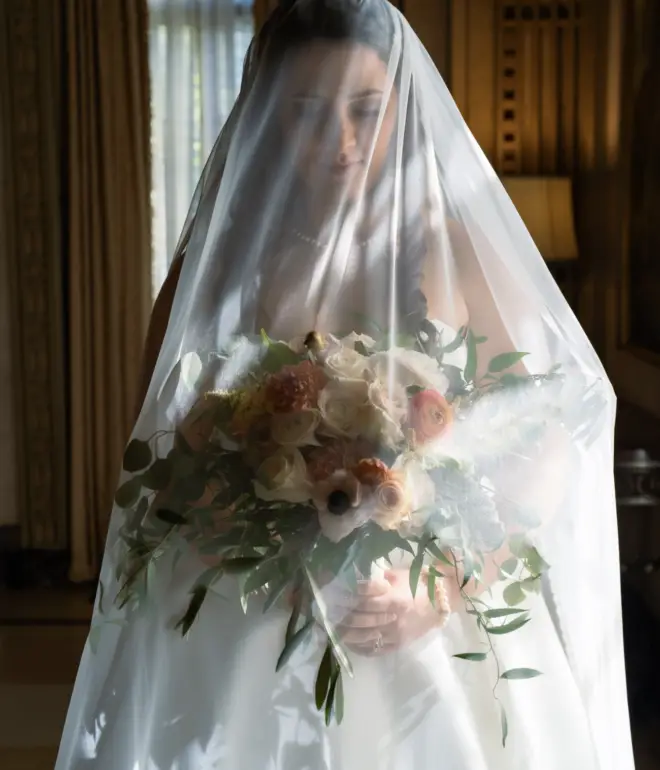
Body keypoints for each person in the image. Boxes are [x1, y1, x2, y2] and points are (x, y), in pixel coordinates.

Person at [56, 2, 634, 769]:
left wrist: (447, 591)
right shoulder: (221, 267)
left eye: (366, 109)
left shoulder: (455, 251)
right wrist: (252, 536)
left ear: (401, 103)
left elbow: (542, 439)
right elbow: (164, 449)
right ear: (265, 117)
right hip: (251, 612)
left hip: (425, 613)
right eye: (306, 113)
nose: (343, 142)